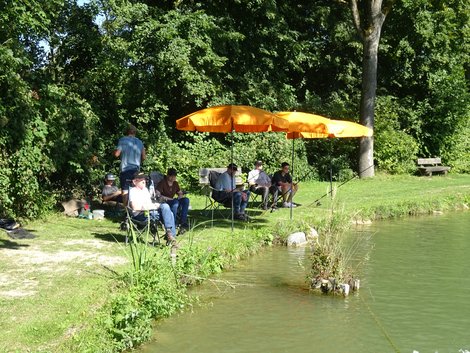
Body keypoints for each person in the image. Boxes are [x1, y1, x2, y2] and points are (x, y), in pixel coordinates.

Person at [128, 171, 176, 244]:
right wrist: (151, 206)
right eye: (141, 180)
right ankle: (170, 236)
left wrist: (155, 205)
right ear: (135, 182)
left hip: (149, 213)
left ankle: (170, 234)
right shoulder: (133, 191)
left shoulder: (145, 190)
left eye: (144, 179)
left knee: (167, 210)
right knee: (168, 213)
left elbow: (149, 203)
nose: (144, 181)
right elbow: (135, 207)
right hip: (140, 215)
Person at [114, 124, 146, 206]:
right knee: (135, 189)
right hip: (136, 170)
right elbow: (144, 157)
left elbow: (117, 154)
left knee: (125, 190)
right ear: (135, 132)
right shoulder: (140, 142)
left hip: (126, 169)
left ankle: (126, 212)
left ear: (127, 131)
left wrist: (114, 151)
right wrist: (138, 162)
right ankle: (134, 210)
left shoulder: (123, 140)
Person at [156, 168, 190, 235]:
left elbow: (179, 192)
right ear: (168, 175)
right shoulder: (162, 183)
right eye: (171, 176)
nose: (173, 178)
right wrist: (170, 199)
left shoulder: (175, 183)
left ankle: (183, 222)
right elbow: (158, 194)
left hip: (174, 200)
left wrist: (180, 195)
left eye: (174, 176)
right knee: (175, 203)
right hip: (165, 201)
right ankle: (173, 223)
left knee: (186, 200)